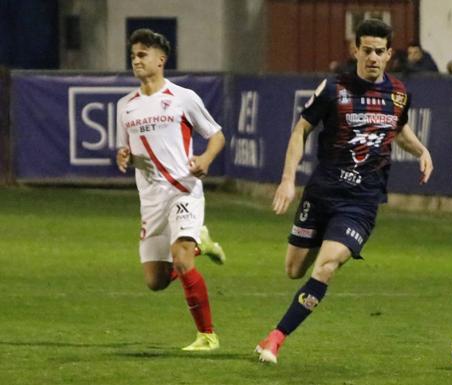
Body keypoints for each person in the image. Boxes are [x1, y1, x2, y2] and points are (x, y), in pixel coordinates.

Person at [254, 19, 433, 364]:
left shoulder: (398, 94)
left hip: (360, 205)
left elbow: (401, 130)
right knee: (293, 270)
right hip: (321, 195)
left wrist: (422, 150)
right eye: (366, 50)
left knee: (325, 268)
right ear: (355, 50)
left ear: (389, 54)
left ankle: (276, 338)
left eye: (379, 51)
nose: (372, 57)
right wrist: (288, 179)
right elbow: (300, 130)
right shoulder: (334, 89)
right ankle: (325, 238)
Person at [116, 28, 226, 351]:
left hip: (183, 190)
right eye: (133, 55)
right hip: (151, 201)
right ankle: (199, 244)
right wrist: (125, 156)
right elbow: (129, 152)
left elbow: (217, 135)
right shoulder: (126, 106)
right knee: (156, 281)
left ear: (161, 60)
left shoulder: (183, 98)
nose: (136, 59)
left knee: (180, 260)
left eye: (143, 54)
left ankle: (207, 336)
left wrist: (205, 158)